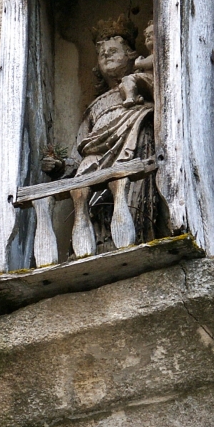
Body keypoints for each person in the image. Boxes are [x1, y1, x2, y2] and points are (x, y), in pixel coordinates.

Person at [42, 16, 156, 256]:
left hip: (133, 146)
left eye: (113, 50)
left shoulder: (143, 84)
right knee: (92, 200)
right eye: (102, 53)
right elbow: (78, 150)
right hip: (94, 160)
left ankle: (132, 236)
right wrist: (59, 167)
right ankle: (95, 246)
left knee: (128, 197)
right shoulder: (95, 106)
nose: (106, 55)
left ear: (131, 55)